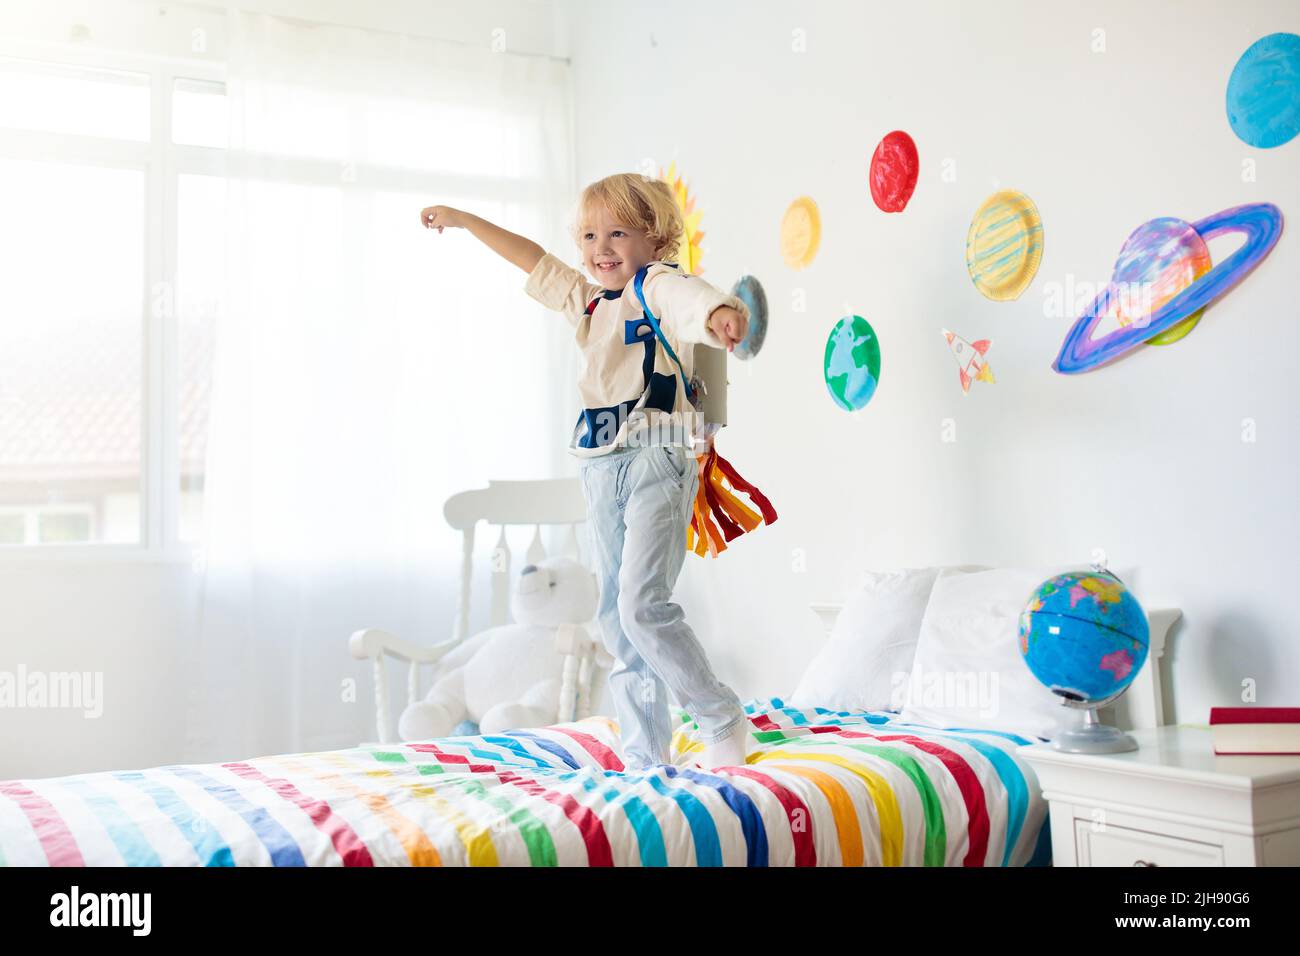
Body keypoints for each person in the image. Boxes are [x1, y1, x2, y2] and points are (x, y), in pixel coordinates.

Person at [419, 173, 752, 770]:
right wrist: (467, 222)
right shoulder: (589, 301)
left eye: (618, 232)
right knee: (615, 619)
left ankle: (721, 719)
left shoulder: (656, 284)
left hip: (656, 456)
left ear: (654, 240)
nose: (602, 246)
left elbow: (691, 298)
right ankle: (647, 752)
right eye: (592, 234)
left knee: (641, 604)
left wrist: (721, 309)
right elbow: (533, 259)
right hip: (600, 468)